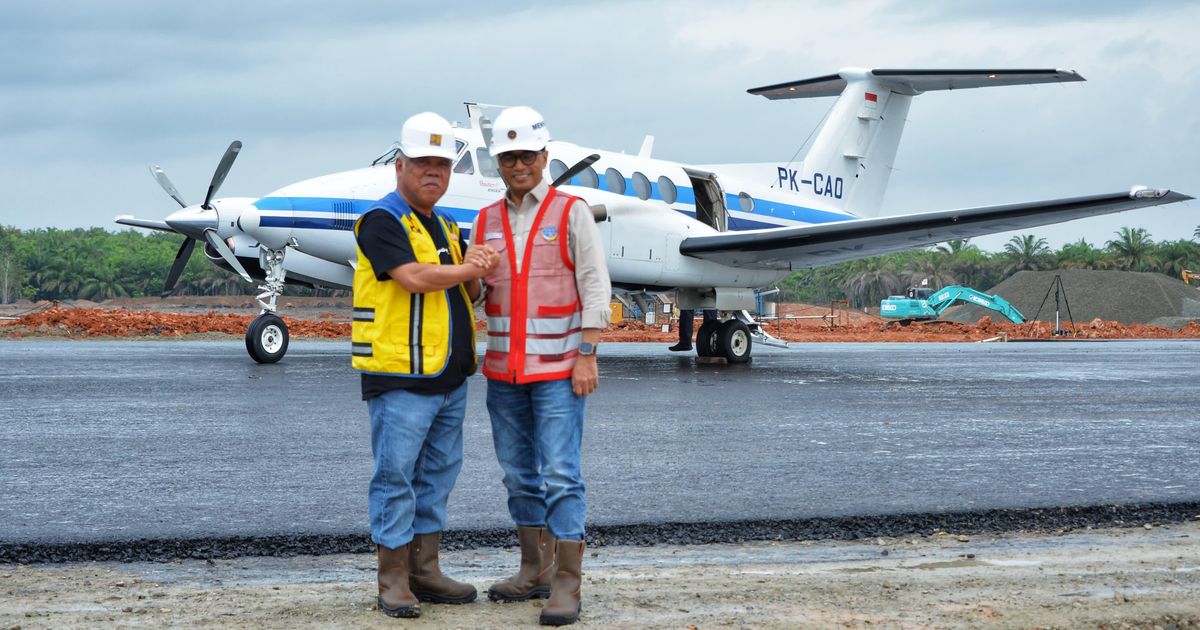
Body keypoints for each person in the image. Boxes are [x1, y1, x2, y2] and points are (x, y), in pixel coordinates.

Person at [352, 111, 500, 619]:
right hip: (400, 376)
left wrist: (479, 270)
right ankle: (393, 578)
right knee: (396, 476)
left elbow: (469, 291)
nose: (433, 173)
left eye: (441, 164)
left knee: (437, 474)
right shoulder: (381, 221)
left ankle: (426, 569)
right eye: (422, 164)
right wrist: (467, 266)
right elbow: (413, 277)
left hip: (449, 376)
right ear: (400, 165)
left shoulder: (443, 224)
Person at [472, 106, 611, 626]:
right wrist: (469, 275)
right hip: (504, 372)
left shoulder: (570, 211)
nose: (517, 165)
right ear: (498, 162)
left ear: (544, 157)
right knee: (517, 476)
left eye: (526, 155)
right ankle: (534, 568)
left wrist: (587, 354)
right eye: (508, 157)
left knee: (560, 474)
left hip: (559, 371)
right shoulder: (485, 220)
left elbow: (595, 286)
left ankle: (568, 584)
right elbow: (477, 293)